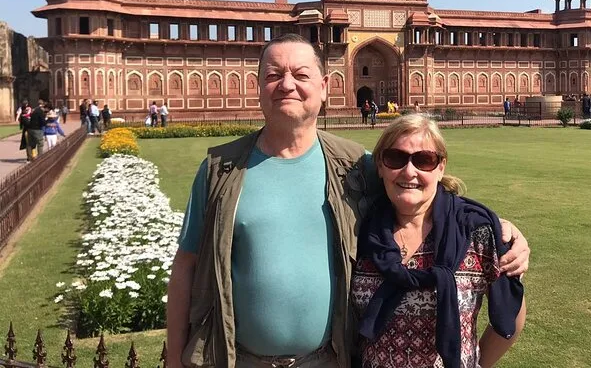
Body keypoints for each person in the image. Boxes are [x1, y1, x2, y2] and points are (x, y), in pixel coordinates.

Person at [167, 34, 530, 368]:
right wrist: (174, 358)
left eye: (301, 75)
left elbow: (422, 194)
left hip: (330, 359)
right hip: (239, 359)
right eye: (274, 75)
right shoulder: (221, 171)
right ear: (258, 85)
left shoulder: (355, 167)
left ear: (326, 87)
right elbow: (186, 266)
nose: (287, 85)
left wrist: (501, 231)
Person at [352, 115, 526, 368]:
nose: (409, 171)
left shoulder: (474, 232)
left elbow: (512, 313)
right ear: (380, 166)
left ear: (441, 167)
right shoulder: (361, 230)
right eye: (395, 158)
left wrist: (477, 363)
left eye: (424, 160)